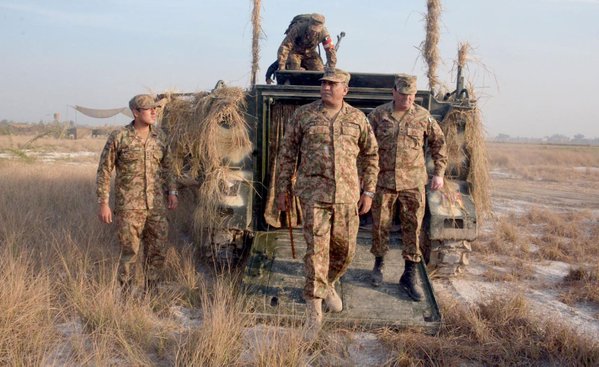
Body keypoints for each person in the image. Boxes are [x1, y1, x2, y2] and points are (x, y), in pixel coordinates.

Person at [275, 68, 379, 333]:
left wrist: (369, 192)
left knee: (345, 251)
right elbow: (287, 154)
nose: (326, 87)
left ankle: (328, 283)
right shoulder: (304, 115)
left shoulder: (357, 119)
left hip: (347, 198)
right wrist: (282, 190)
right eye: (324, 83)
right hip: (314, 196)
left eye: (333, 84)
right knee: (316, 252)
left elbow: (371, 155)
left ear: (345, 89)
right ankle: (314, 308)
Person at [368, 74, 447, 301]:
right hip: (383, 181)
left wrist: (439, 173)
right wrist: (363, 176)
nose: (407, 99)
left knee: (412, 228)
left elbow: (439, 144)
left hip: (413, 184)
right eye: (403, 95)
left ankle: (409, 275)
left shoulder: (423, 117)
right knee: (380, 225)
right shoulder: (378, 115)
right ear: (394, 92)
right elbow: (364, 144)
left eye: (411, 95)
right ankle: (378, 265)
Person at [96, 94, 178, 294]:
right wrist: (103, 202)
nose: (153, 112)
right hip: (129, 207)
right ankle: (126, 294)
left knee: (157, 250)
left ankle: (152, 292)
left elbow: (168, 167)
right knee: (129, 253)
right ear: (135, 112)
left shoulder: (160, 137)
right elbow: (104, 170)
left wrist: (172, 191)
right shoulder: (119, 137)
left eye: (155, 108)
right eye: (148, 109)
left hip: (156, 206)